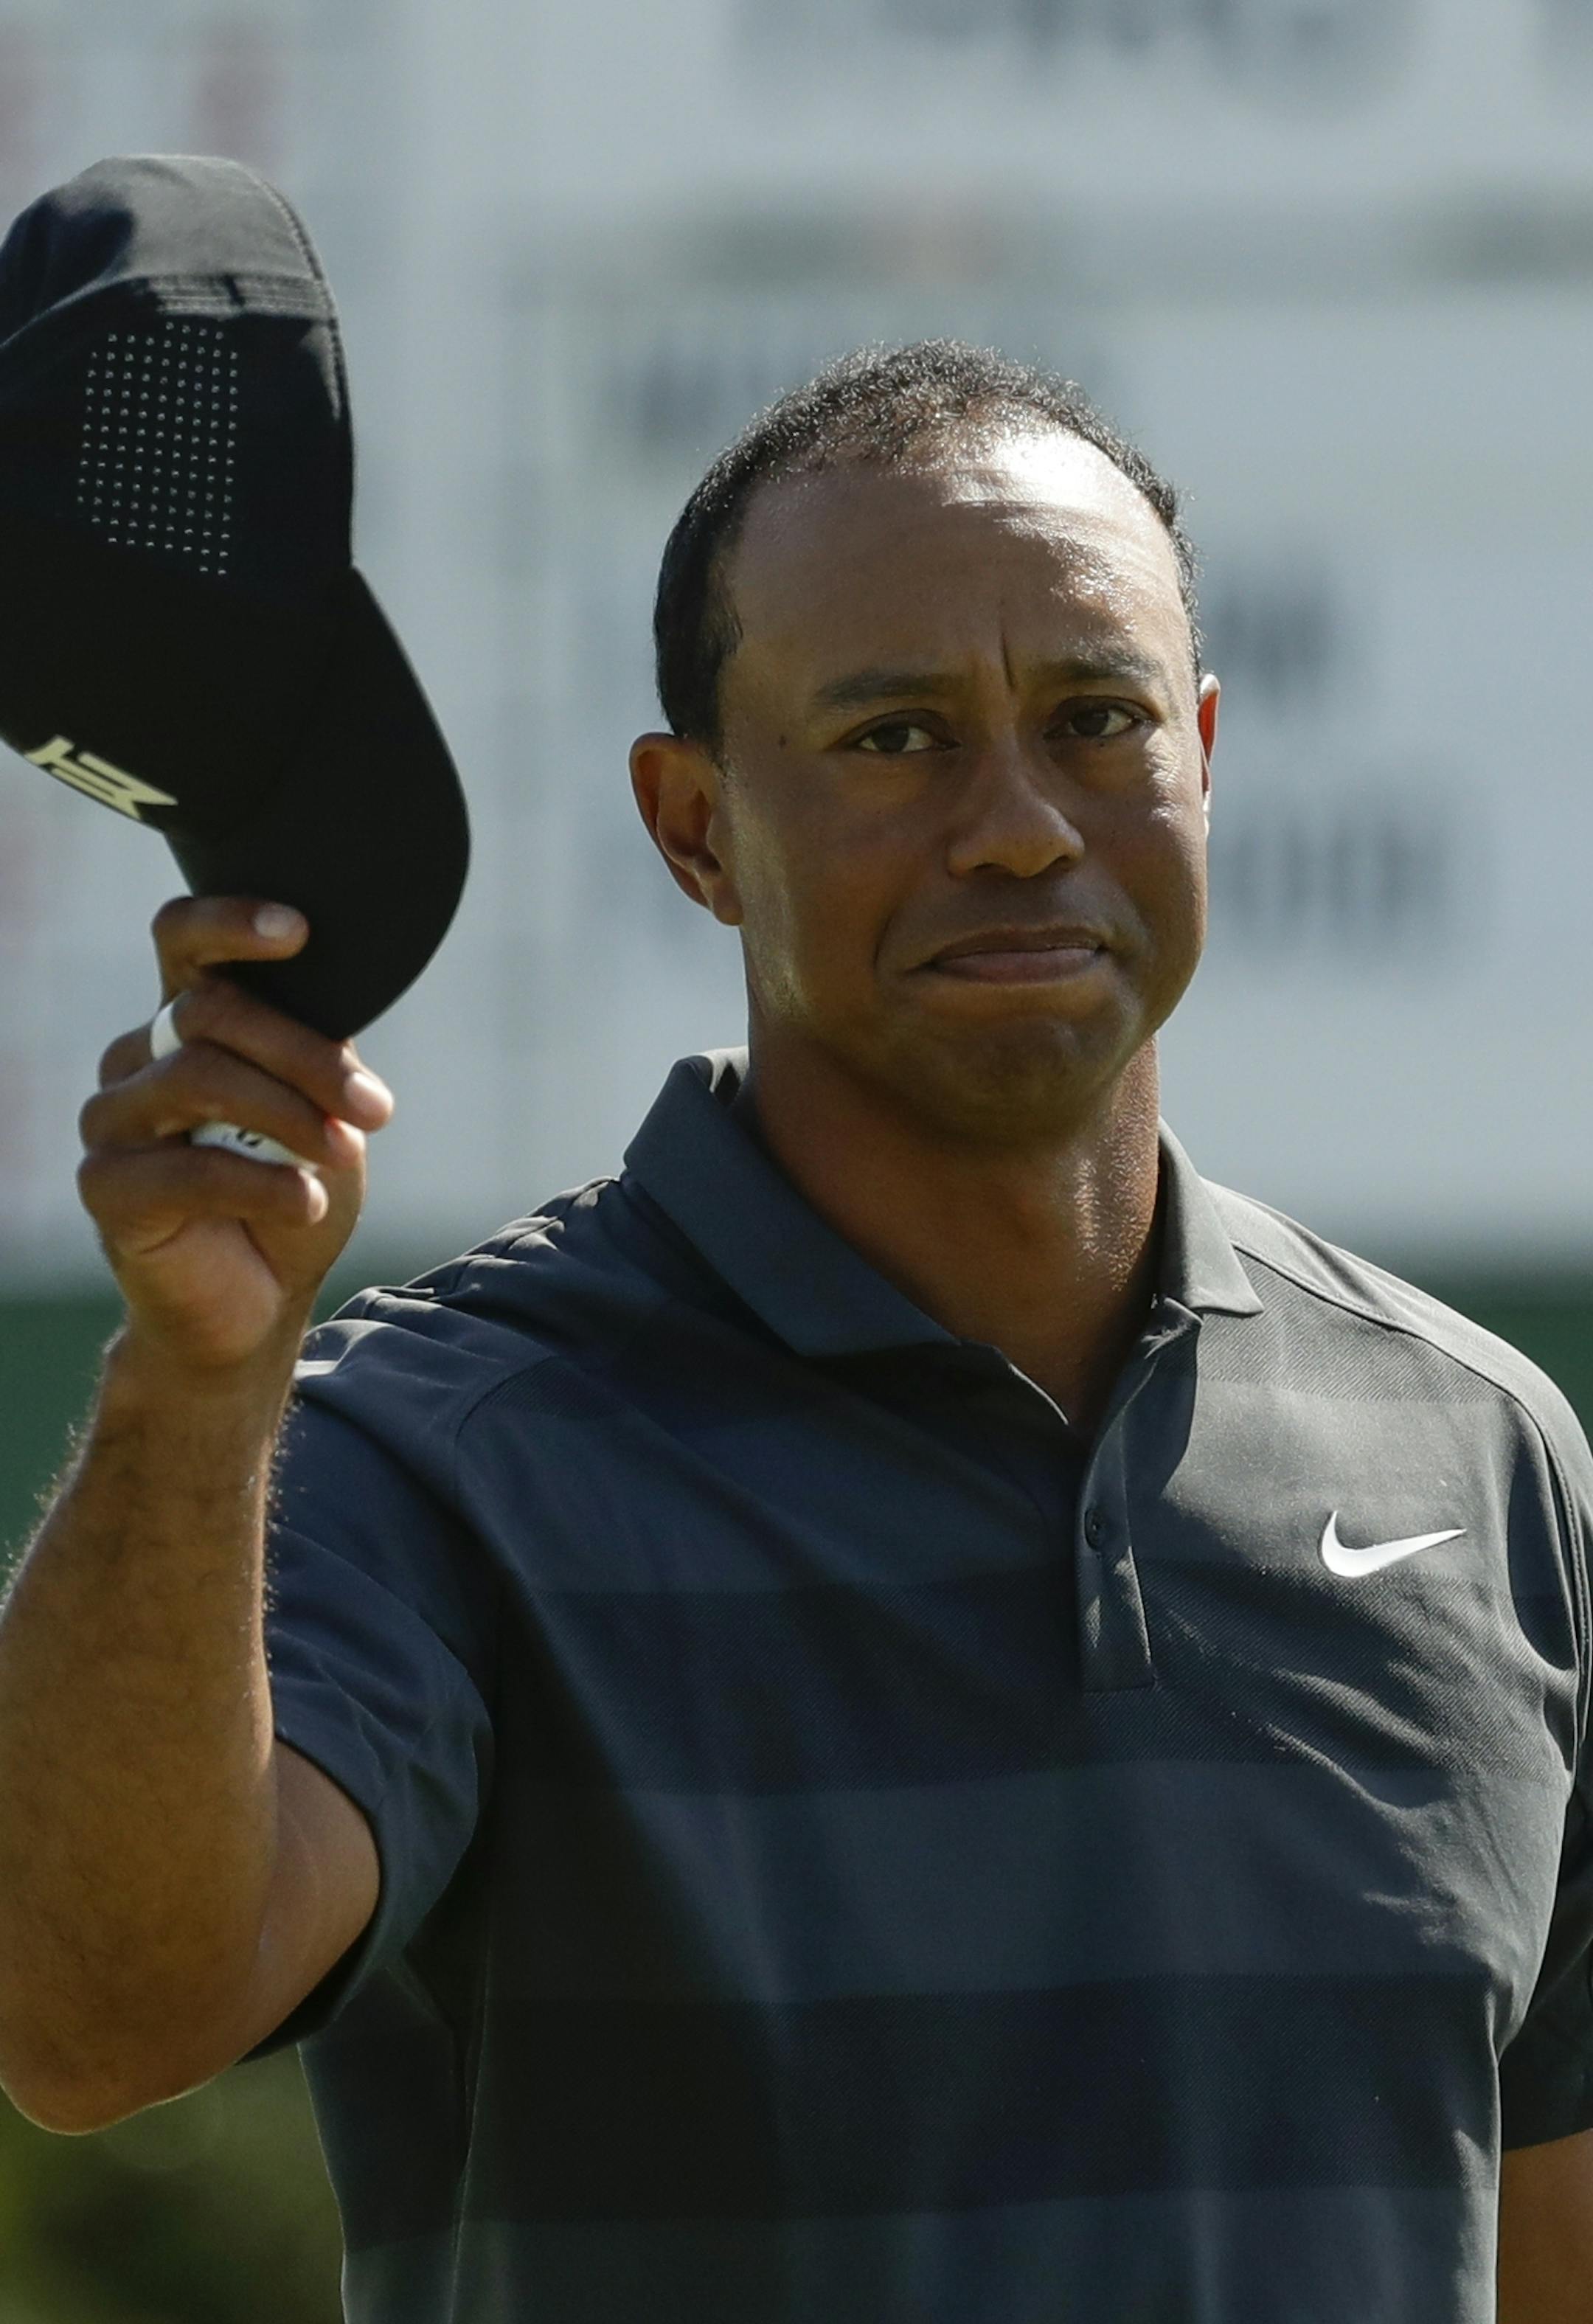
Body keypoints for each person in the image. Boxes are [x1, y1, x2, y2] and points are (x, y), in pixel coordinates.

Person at [0, 340, 1589, 2324]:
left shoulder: (1484, 1454)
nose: (1019, 825)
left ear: (1200, 749)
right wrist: (191, 1388)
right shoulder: (434, 1454)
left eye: (1097, 721)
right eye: (895, 738)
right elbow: (86, 2023)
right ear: (694, 827)